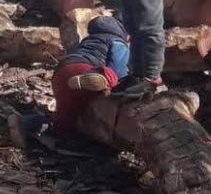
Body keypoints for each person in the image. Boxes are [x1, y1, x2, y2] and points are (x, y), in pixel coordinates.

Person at [8, 16, 129, 148]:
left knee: (64, 121)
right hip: (87, 70)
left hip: (62, 72)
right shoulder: (118, 43)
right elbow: (119, 70)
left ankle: (24, 122)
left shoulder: (87, 40)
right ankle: (95, 77)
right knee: (112, 76)